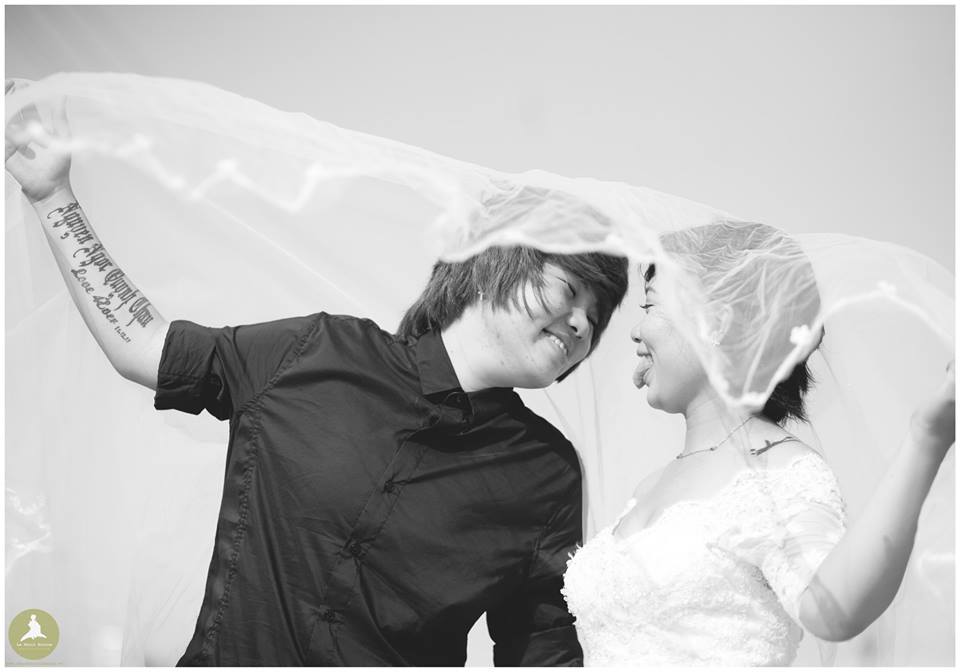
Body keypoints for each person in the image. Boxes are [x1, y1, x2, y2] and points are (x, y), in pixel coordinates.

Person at [5, 80, 630, 666]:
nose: (581, 323)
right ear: (496, 260)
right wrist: (51, 194)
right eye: (570, 289)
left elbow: (544, 650)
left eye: (597, 318)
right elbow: (147, 347)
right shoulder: (316, 351)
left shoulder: (547, 474)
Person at [562, 221, 955, 665]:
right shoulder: (648, 486)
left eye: (650, 305)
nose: (635, 331)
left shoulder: (778, 471)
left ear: (716, 323)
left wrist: (926, 437)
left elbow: (833, 611)